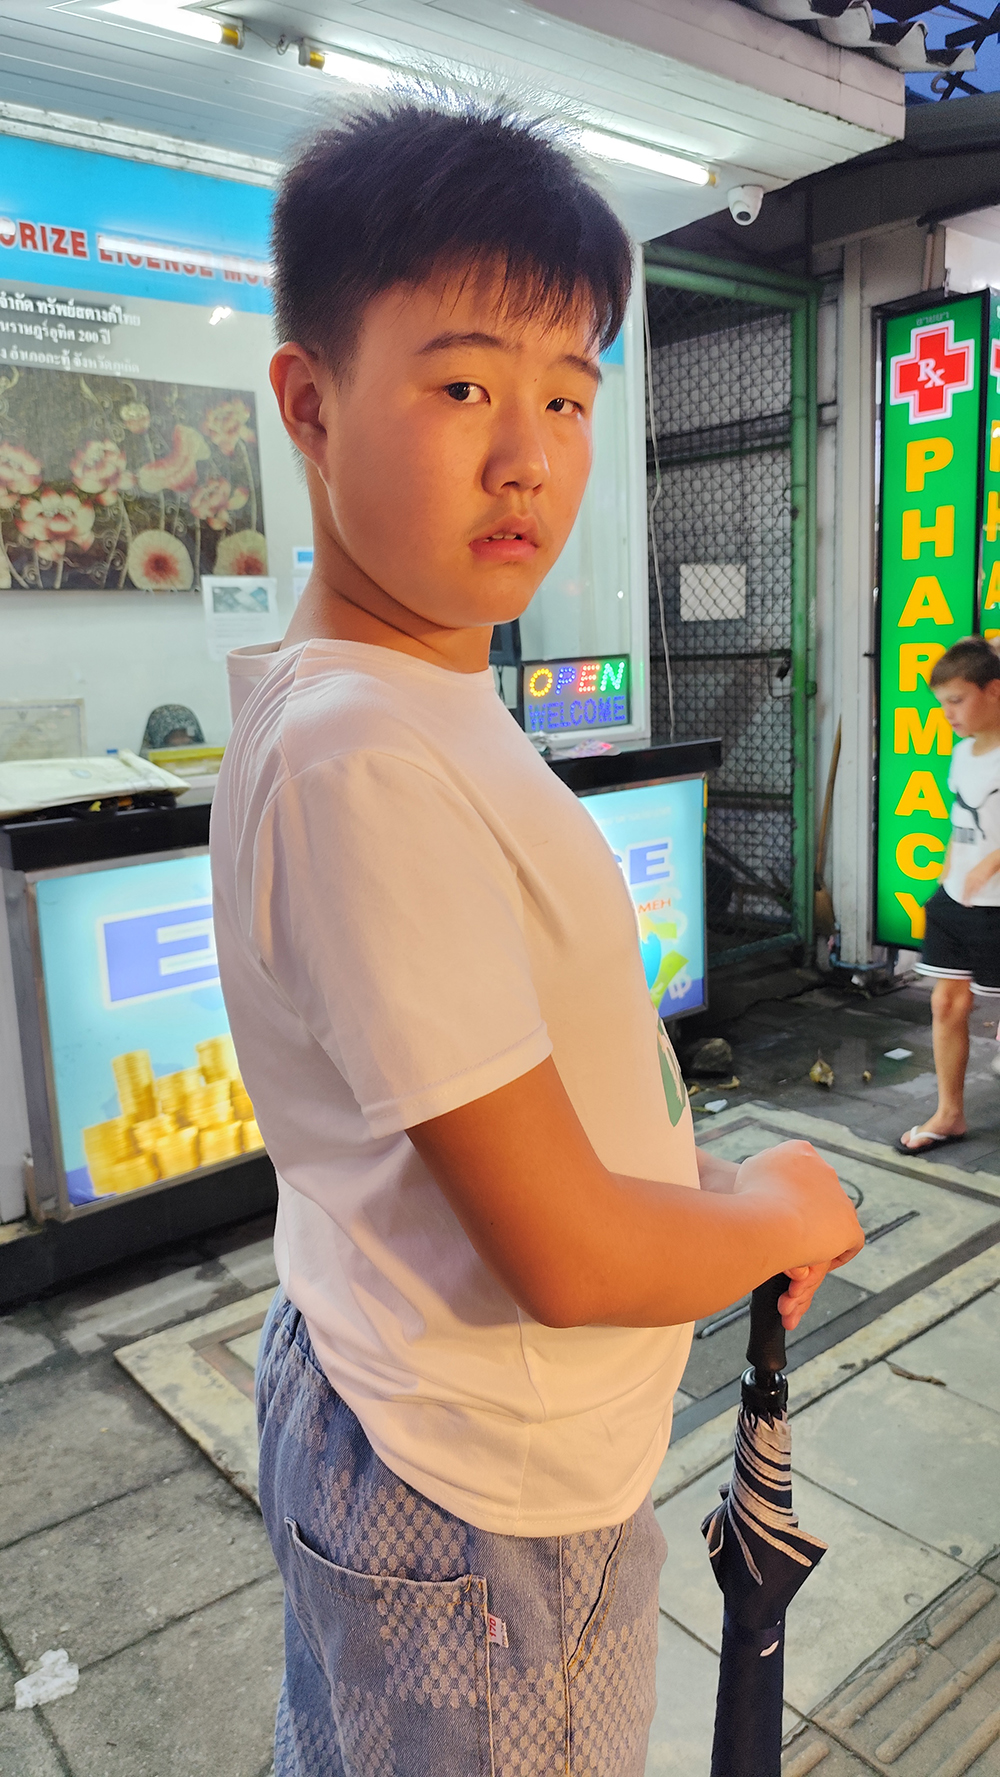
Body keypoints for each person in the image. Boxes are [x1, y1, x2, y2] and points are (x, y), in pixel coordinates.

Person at [210, 96, 863, 1777]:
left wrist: (698, 1194)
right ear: (309, 399)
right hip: (477, 1516)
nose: (530, 456)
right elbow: (563, 1252)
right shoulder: (365, 754)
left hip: (414, 1413)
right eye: (463, 387)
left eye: (568, 395)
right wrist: (774, 1208)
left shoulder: (409, 690)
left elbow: (503, 1117)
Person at [899, 636, 1000, 1154]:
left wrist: (992, 862)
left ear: (993, 691)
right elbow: (963, 819)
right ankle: (950, 1114)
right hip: (956, 901)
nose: (948, 714)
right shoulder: (962, 753)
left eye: (957, 700)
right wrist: (949, 873)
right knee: (945, 1002)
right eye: (942, 703)